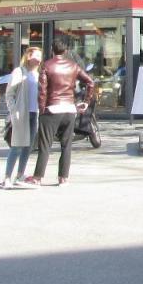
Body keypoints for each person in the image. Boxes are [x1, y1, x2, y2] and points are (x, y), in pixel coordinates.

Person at [24, 41, 93, 186]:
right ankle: (63, 178)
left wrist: (42, 109)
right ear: (66, 51)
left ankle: (38, 177)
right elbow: (90, 82)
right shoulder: (73, 66)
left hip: (52, 108)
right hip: (69, 109)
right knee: (66, 145)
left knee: (45, 145)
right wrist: (86, 101)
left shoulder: (47, 65)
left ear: (52, 50)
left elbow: (42, 90)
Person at [3, 47, 42, 189]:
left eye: (41, 56)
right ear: (29, 56)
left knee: (28, 146)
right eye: (37, 55)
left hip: (34, 113)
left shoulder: (38, 74)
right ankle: (7, 177)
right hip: (22, 113)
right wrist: (14, 111)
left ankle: (20, 174)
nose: (39, 58)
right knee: (17, 145)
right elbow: (9, 93)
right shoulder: (19, 72)